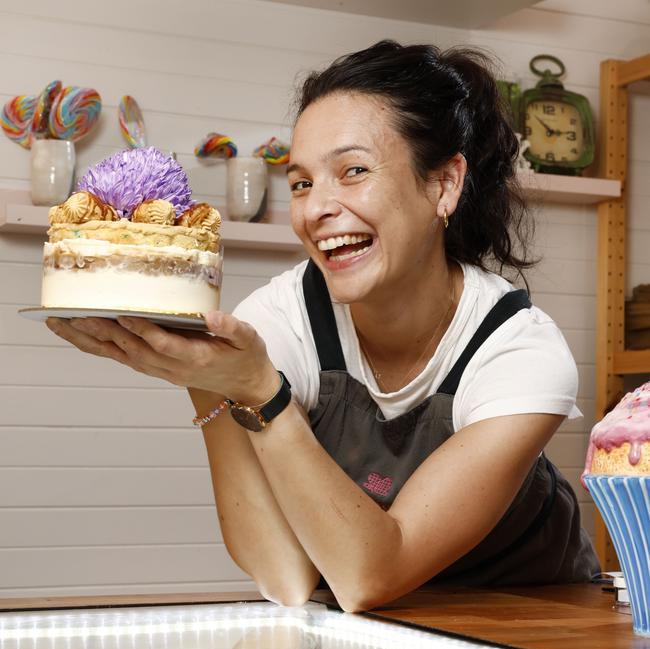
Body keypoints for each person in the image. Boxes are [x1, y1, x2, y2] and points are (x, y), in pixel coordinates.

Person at [46, 40, 599, 612]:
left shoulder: (517, 350)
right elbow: (286, 579)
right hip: (380, 636)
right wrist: (210, 380)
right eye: (302, 182)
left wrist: (262, 393)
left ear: (442, 185)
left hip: (542, 632)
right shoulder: (281, 319)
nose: (315, 210)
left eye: (353, 171)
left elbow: (368, 577)